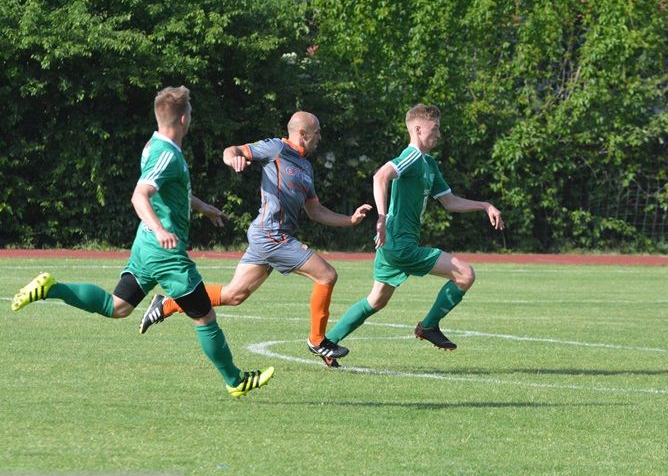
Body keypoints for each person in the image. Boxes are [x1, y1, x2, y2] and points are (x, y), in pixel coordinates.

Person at [11, 86, 274, 397]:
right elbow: (140, 195)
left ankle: (51, 288)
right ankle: (235, 380)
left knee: (118, 306)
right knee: (204, 315)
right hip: (165, 253)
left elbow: (170, 192)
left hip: (145, 247)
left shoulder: (155, 146)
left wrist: (202, 208)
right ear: (183, 118)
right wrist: (161, 229)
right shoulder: (166, 154)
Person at [138, 111, 372, 367]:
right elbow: (232, 150)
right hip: (271, 235)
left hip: (272, 237)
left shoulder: (306, 167)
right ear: (303, 134)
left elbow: (315, 211)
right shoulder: (276, 148)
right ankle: (317, 340)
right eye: (316, 132)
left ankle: (168, 304)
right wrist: (233, 160)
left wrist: (349, 220)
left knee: (234, 295)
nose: (320, 137)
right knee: (326, 275)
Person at [322, 104, 504, 361]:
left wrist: (484, 206)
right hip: (399, 243)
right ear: (418, 129)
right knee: (465, 274)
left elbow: (450, 202)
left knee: (376, 301)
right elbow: (380, 176)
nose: (439, 135)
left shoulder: (428, 163)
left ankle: (327, 343)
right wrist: (382, 218)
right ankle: (428, 326)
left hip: (391, 244)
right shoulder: (412, 156)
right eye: (435, 129)